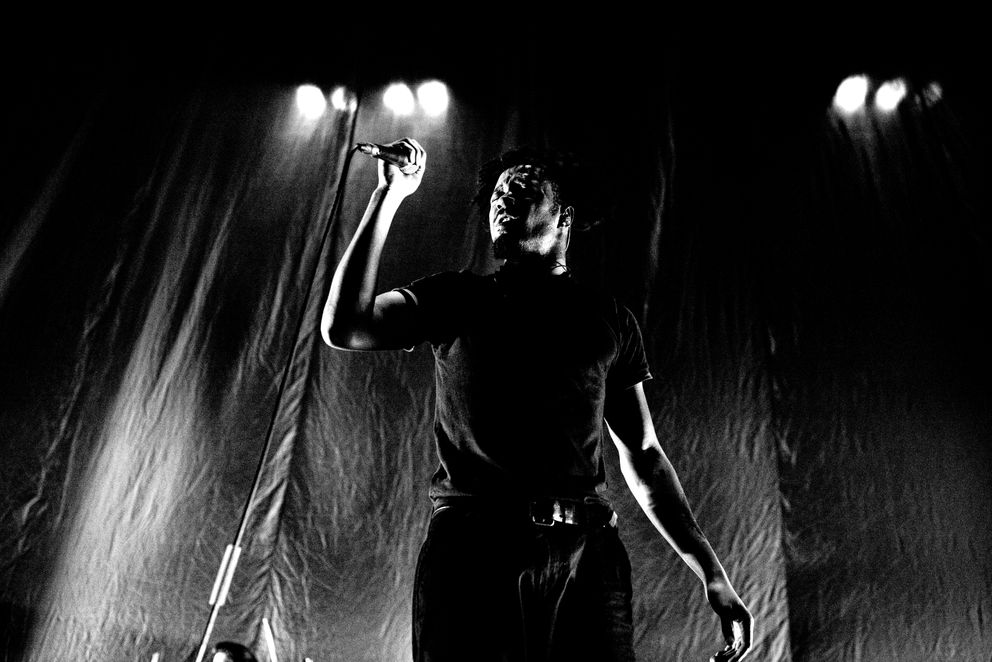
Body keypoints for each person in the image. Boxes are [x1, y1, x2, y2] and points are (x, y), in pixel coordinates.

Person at [322, 138, 753, 661]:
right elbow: (345, 326)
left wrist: (712, 573)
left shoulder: (608, 320)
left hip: (587, 557)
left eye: (523, 190)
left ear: (564, 216)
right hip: (472, 550)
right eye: (497, 195)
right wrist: (389, 195)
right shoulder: (456, 297)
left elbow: (643, 454)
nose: (503, 200)